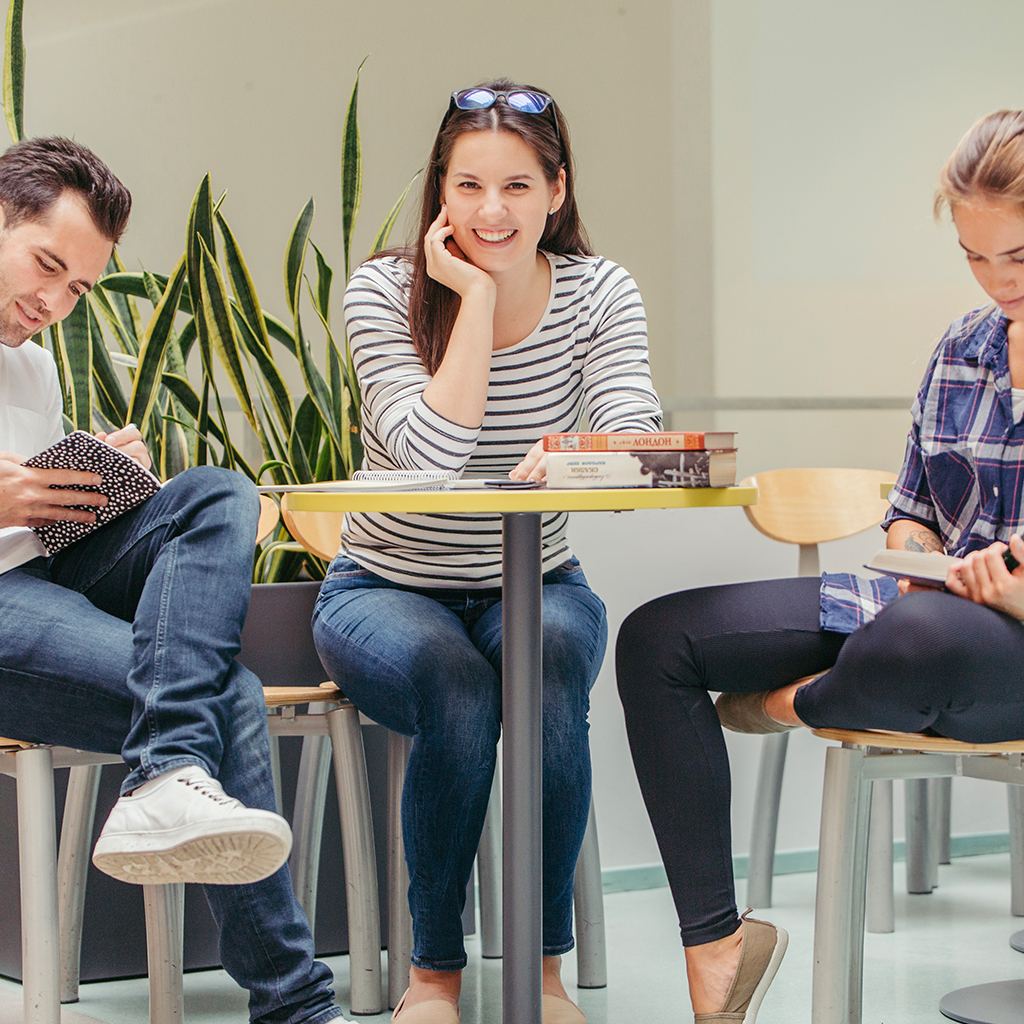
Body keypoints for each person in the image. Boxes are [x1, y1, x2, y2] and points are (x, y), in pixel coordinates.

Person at [614, 107, 1024, 1024]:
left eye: (1020, 259)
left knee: (915, 637)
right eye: (973, 256)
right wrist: (916, 550)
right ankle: (717, 954)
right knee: (656, 637)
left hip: (990, 645)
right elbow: (914, 509)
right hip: (926, 610)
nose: (996, 283)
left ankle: (792, 703)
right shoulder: (962, 351)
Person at [312, 81, 661, 1024]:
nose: (491, 211)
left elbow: (634, 427)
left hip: (538, 580)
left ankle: (541, 977)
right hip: (382, 589)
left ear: (557, 189)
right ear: (439, 193)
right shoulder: (382, 292)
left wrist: (585, 454)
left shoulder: (599, 291)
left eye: (516, 186)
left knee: (543, 662)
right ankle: (434, 980)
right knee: (456, 685)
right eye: (467, 186)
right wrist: (471, 296)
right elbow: (431, 454)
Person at [0, 136, 347, 1024]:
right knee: (224, 694)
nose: (52, 303)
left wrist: (96, 481)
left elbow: (33, 517)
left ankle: (166, 773)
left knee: (214, 495)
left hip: (42, 570)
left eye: (78, 289)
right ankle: (298, 1007)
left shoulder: (31, 364)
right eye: (45, 266)